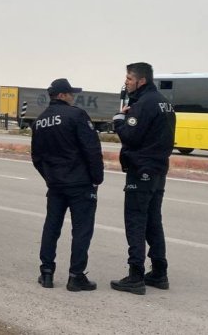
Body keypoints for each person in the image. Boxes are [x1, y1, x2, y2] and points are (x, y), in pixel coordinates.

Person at [30, 78, 104, 292]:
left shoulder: (40, 121)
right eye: (71, 93)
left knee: (52, 227)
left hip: (55, 185)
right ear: (62, 95)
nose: (73, 97)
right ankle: (76, 276)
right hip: (80, 184)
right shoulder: (77, 115)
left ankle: (46, 272)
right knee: (81, 229)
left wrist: (49, 177)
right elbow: (92, 149)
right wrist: (96, 178)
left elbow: (36, 157)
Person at [110, 62, 175, 295]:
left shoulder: (143, 104)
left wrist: (119, 120)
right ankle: (159, 271)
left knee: (136, 221)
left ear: (141, 80)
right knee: (153, 221)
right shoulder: (164, 102)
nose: (126, 83)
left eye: (129, 78)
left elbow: (131, 137)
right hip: (159, 169)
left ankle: (135, 275)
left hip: (141, 169)